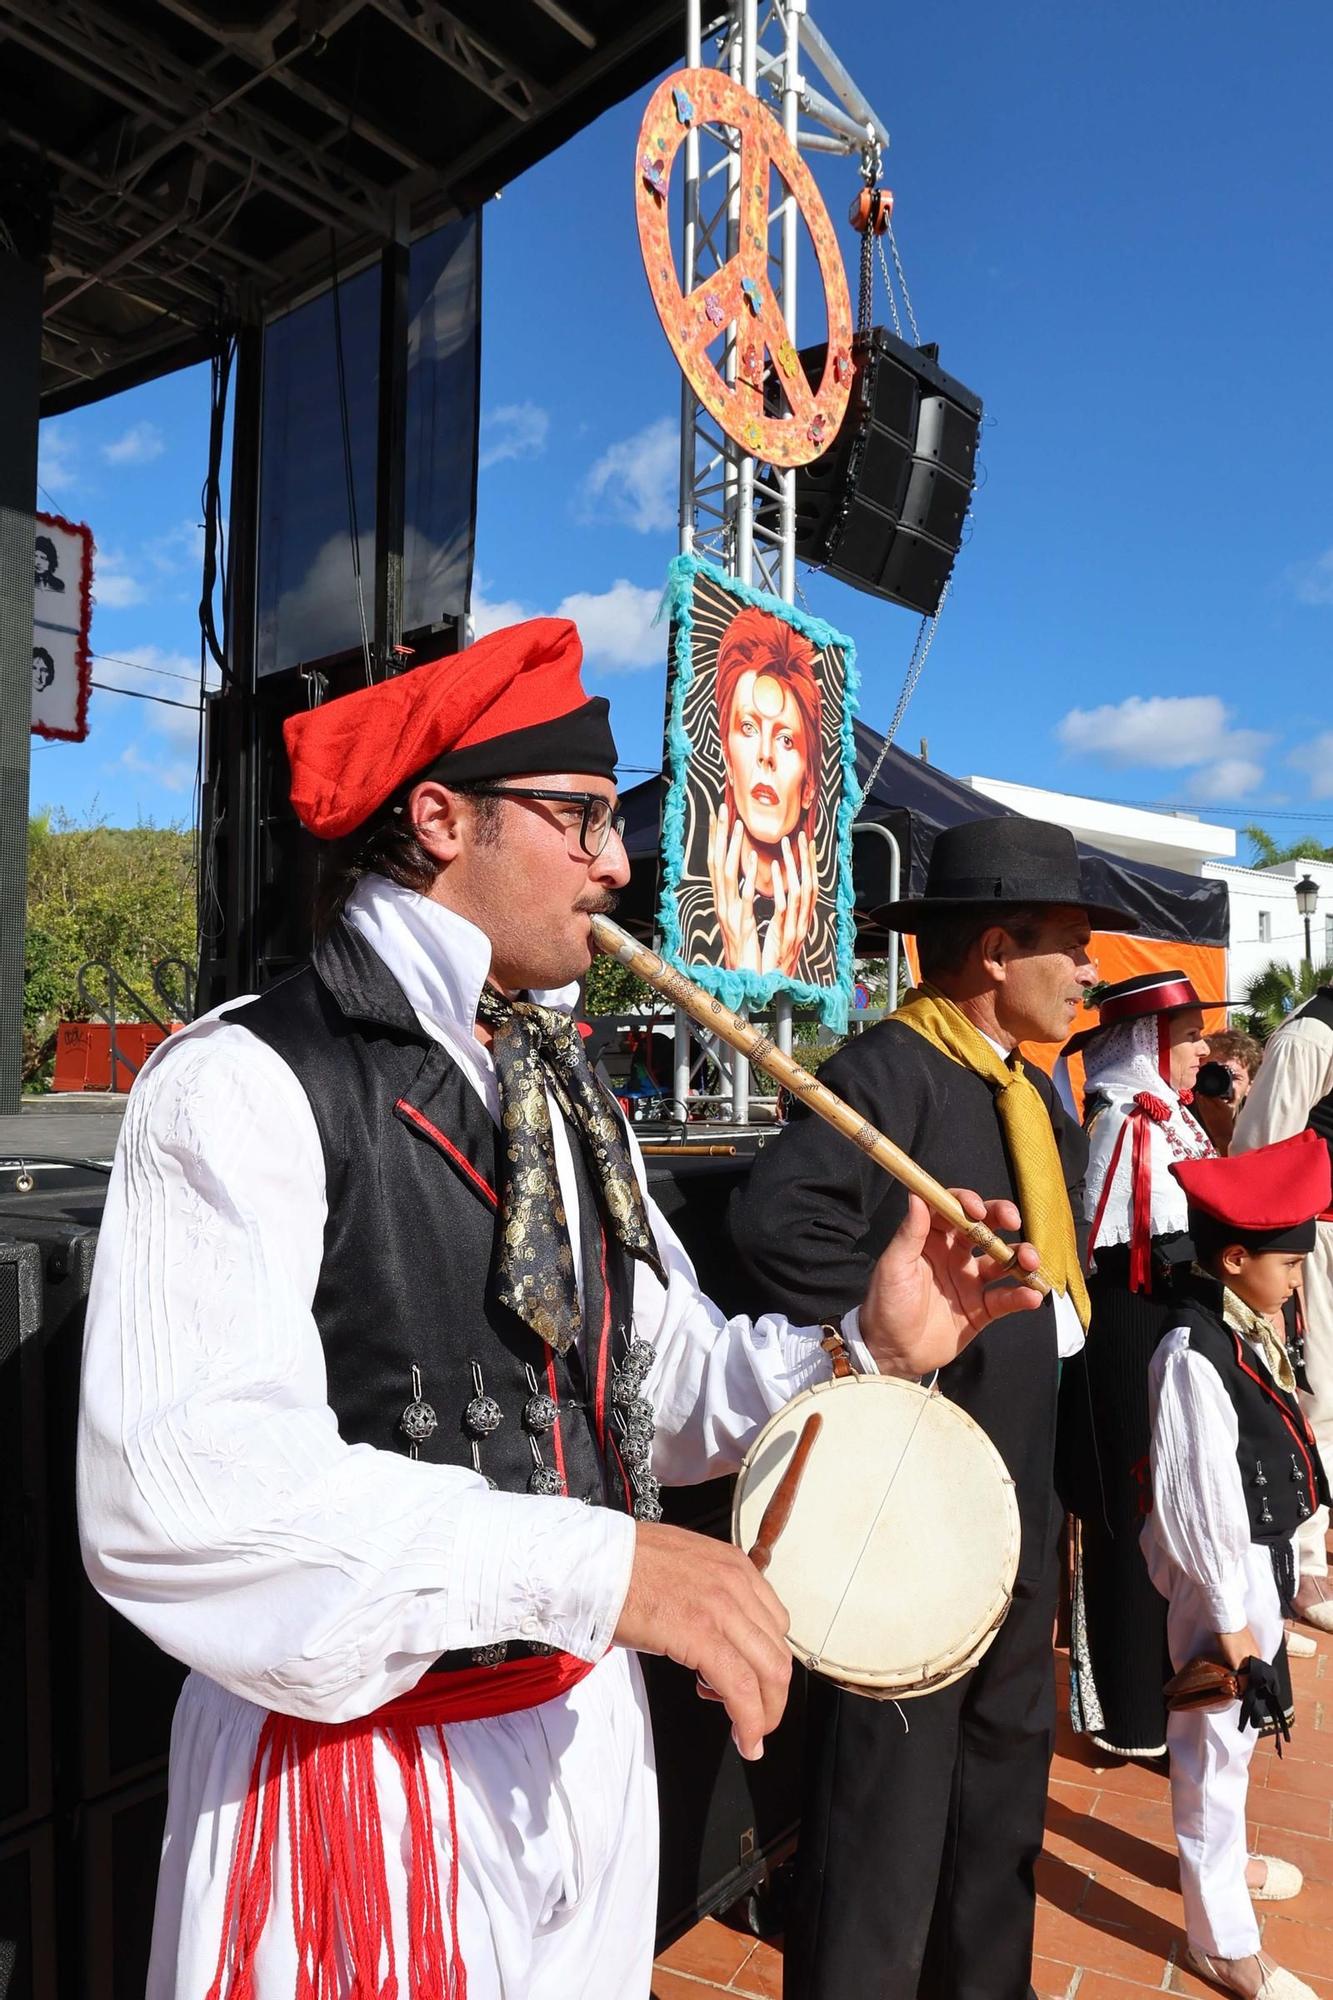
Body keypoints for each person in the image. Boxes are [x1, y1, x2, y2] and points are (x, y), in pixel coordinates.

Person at [76, 618, 1044, 2000]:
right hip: (365, 1778)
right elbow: (178, 1498)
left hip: (585, 1737)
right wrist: (601, 1569)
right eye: (579, 816)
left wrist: (867, 1345)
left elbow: (662, 1390)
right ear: (439, 820)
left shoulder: (569, 1094)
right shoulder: (240, 1079)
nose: (617, 862)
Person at [731, 814, 1137, 2000]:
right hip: (912, 1497)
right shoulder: (887, 1069)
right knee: (888, 1802)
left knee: (1004, 1771)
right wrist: (899, 1335)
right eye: (1069, 943)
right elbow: (778, 1221)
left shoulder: (1036, 1094)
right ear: (996, 950)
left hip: (1015, 1493)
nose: (1088, 970)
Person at [1145, 1129, 1331, 2000]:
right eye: (1288, 1263)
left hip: (1253, 1567)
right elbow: (1201, 1504)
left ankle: (1221, 1863)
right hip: (1221, 1577)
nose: (1297, 1278)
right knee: (1211, 1748)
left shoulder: (1240, 1323)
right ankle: (1219, 1938)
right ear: (1233, 1259)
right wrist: (1230, 1627)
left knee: (1235, 1741)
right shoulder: (1191, 1355)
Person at [1058, 971, 1217, 1761]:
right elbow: (1113, 1244)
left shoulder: (1173, 1119)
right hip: (1126, 1331)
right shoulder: (1119, 1120)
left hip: (1168, 1325)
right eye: (1187, 1036)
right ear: (1144, 1043)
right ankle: (1129, 1711)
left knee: (1177, 1502)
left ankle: (1179, 1685)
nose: (1201, 1051)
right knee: (1131, 1507)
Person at [1232, 984, 1333, 1636]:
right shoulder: (1310, 1038)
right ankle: (1304, 1563)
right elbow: (1260, 1156)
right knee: (1317, 1396)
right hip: (1316, 1241)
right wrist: (1275, 1272)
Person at [706, 608, 819, 978]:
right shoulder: (694, 911)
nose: (765, 754)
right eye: (748, 728)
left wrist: (780, 971)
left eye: (786, 739)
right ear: (728, 758)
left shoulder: (817, 939)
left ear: (809, 785)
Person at [1192, 1029, 1264, 1156]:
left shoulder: (1258, 1129)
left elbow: (1248, 1167)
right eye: (1211, 1074)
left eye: (1233, 1077)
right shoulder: (1178, 1117)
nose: (1220, 1084)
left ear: (1250, 1085)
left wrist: (1223, 1135)